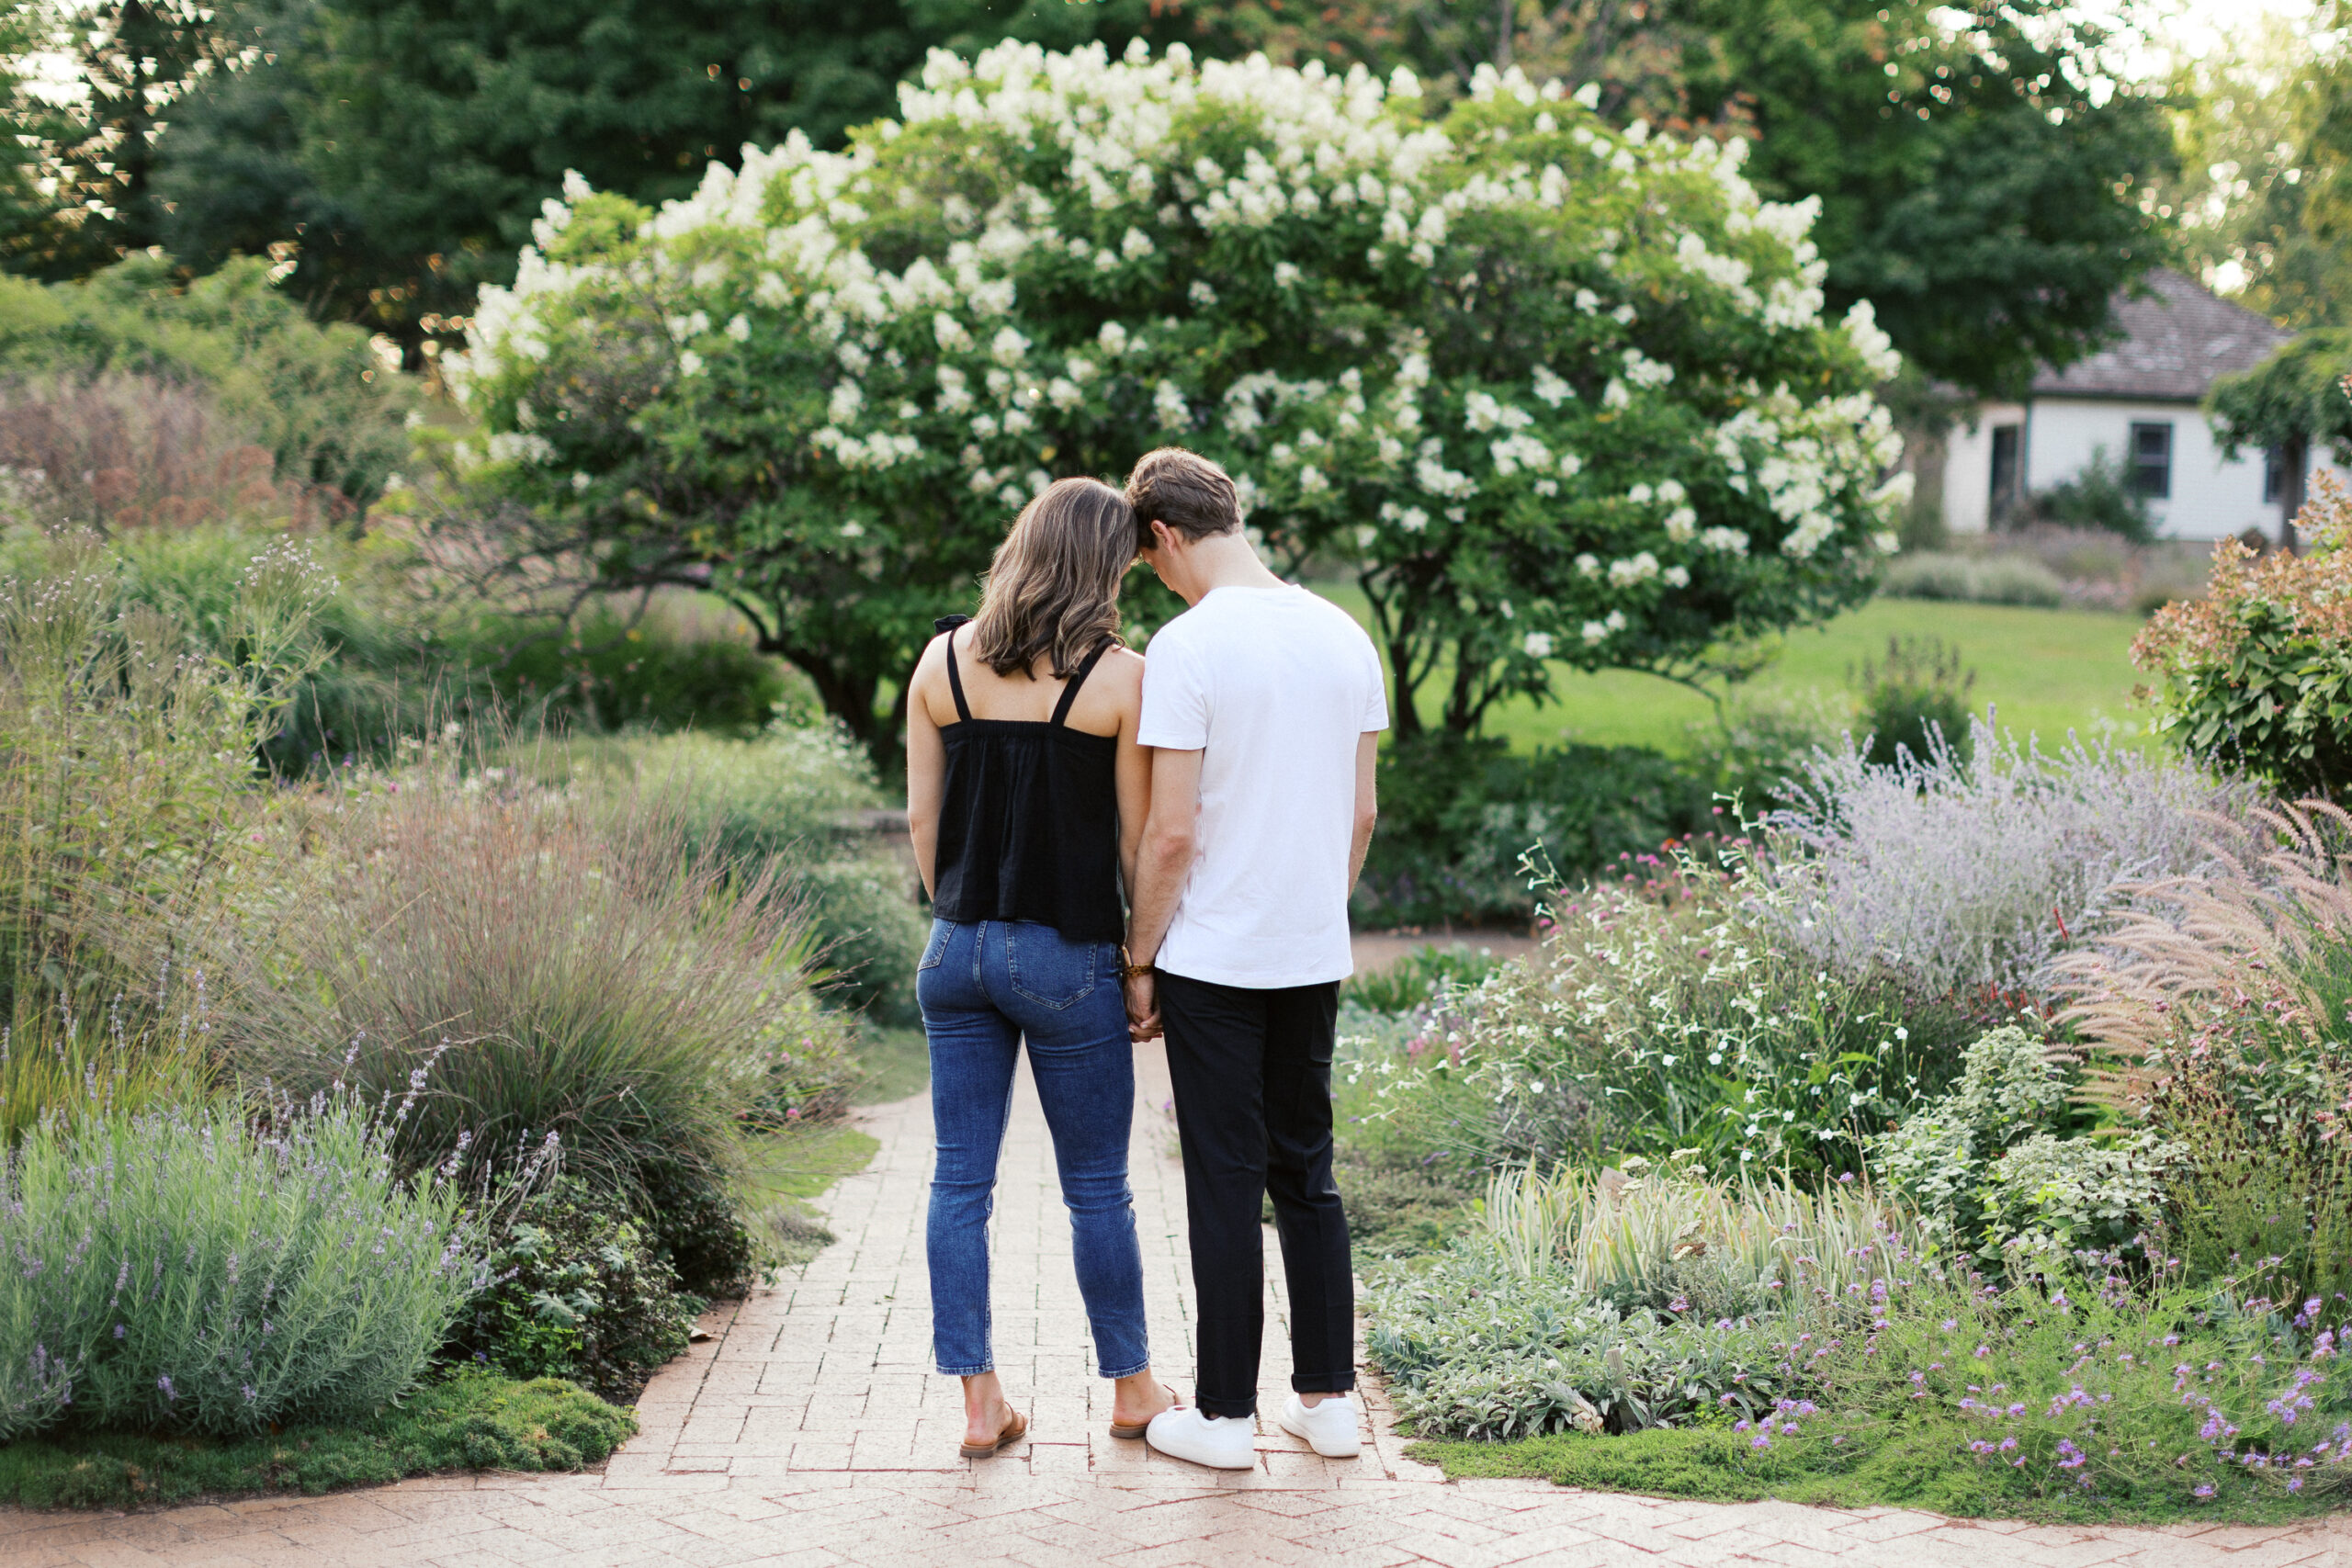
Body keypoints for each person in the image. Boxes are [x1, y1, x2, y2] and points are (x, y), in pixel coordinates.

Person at [1120, 447, 1385, 1470]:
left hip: (1215, 960)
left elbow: (1171, 834)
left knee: (1225, 1179)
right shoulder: (1342, 632)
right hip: (1310, 946)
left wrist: (1140, 957)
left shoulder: (1189, 645)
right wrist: (1316, 906)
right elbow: (1361, 811)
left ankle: (1225, 1416)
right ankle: (1327, 1402)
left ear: (1165, 537)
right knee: (1307, 1174)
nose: (1159, 579)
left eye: (1152, 565)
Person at [903, 477, 1178, 1460]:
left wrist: (965, 915)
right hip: (1065, 954)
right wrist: (1140, 966)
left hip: (954, 948)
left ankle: (980, 1403)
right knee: (1096, 1186)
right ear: (1106, 566)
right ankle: (1134, 1390)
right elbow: (1141, 842)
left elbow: (922, 827)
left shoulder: (940, 661)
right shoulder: (1119, 677)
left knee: (957, 1185)